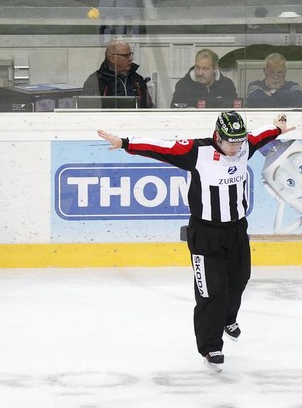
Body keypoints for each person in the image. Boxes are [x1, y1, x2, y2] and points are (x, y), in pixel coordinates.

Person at [97, 111, 291, 371]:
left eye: (239, 142)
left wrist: (276, 128)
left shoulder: (244, 146)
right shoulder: (196, 152)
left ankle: (227, 319)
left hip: (236, 230)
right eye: (229, 142)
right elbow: (160, 147)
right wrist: (125, 142)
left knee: (240, 279)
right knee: (211, 290)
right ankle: (211, 346)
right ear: (217, 137)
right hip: (205, 234)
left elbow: (260, 134)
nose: (235, 148)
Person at [82, 40, 153, 107]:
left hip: (136, 119)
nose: (131, 59)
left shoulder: (137, 79)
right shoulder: (96, 80)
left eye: (130, 54)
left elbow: (148, 106)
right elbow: (87, 109)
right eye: (126, 56)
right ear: (112, 58)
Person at [172, 48, 239, 108]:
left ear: (215, 69)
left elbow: (233, 111)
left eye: (205, 69)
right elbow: (174, 111)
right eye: (197, 67)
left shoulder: (227, 85)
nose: (200, 73)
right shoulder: (183, 85)